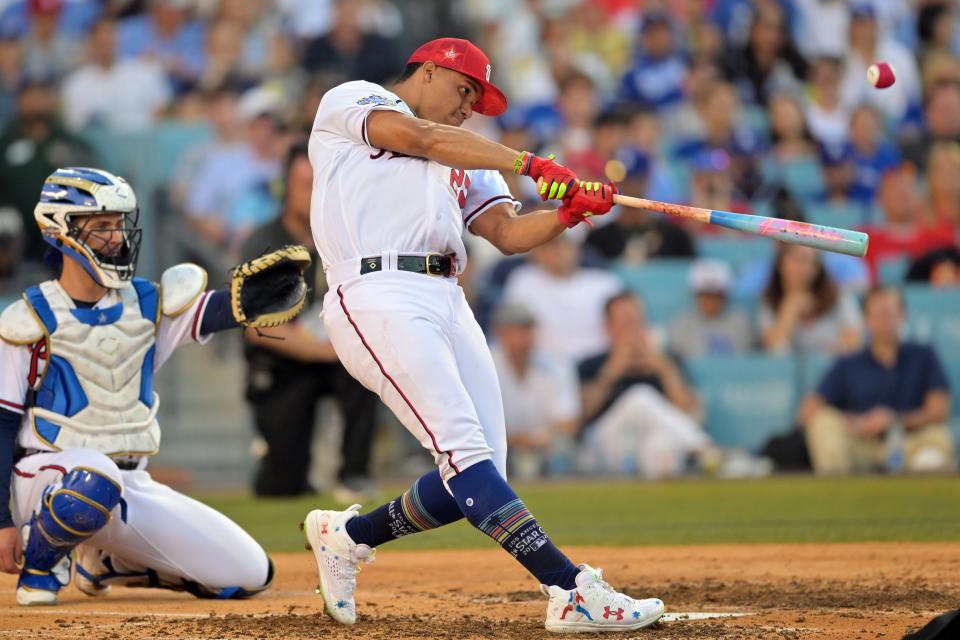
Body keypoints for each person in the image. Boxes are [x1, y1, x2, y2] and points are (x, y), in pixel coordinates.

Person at [300, 37, 664, 632]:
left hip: (447, 294)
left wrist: (570, 215)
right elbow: (421, 139)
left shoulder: (466, 156)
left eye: (477, 98)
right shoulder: (357, 99)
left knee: (480, 470)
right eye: (464, 89)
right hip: (376, 288)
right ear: (428, 70)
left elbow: (507, 231)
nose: (469, 106)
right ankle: (570, 588)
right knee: (465, 453)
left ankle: (348, 535)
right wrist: (528, 162)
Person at [0, 167, 305, 605]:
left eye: (119, 224)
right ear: (59, 230)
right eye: (102, 225)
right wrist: (1, 521)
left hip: (127, 482)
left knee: (250, 573)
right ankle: (42, 565)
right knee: (94, 478)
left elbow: (217, 310)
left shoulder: (146, 302)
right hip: (45, 478)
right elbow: (2, 425)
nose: (117, 236)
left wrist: (249, 299)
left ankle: (107, 561)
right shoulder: (28, 317)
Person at [241, 140, 379, 499]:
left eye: (322, 183)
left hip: (337, 355)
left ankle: (354, 476)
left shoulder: (346, 239)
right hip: (283, 363)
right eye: (306, 184)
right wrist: (329, 350)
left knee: (364, 371)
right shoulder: (265, 243)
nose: (315, 194)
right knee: (282, 486)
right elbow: (260, 328)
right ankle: (283, 470)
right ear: (285, 188)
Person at [798, 286, 956, 475]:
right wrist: (857, 422)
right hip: (862, 444)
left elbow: (939, 410)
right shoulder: (848, 363)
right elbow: (807, 411)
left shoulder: (923, 355)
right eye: (877, 314)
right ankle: (837, 495)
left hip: (910, 442)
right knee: (823, 423)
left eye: (889, 313)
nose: (884, 320)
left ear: (903, 315)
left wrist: (894, 420)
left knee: (938, 439)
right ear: (865, 319)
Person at [578, 292, 710, 479]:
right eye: (625, 322)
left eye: (637, 321)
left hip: (647, 443)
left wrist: (664, 370)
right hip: (605, 444)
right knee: (640, 398)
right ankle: (707, 451)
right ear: (608, 327)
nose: (633, 329)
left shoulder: (666, 360)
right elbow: (581, 415)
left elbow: (688, 413)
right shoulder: (591, 363)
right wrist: (611, 371)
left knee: (662, 446)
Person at [490, 303, 579, 480]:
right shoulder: (484, 365)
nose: (524, 337)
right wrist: (515, 440)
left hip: (547, 449)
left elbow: (569, 421)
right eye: (516, 329)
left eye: (527, 330)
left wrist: (540, 438)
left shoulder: (554, 365)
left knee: (565, 451)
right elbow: (478, 424)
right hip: (498, 450)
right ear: (501, 333)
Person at [759, 243, 863, 357]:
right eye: (798, 259)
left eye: (812, 262)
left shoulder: (839, 298)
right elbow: (774, 351)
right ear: (781, 263)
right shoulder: (768, 302)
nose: (805, 267)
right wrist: (790, 309)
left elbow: (853, 344)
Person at [668, 258, 754, 359]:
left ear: (725, 295)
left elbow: (746, 360)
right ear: (695, 295)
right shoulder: (681, 322)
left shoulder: (740, 321)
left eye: (715, 294)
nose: (710, 300)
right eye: (704, 294)